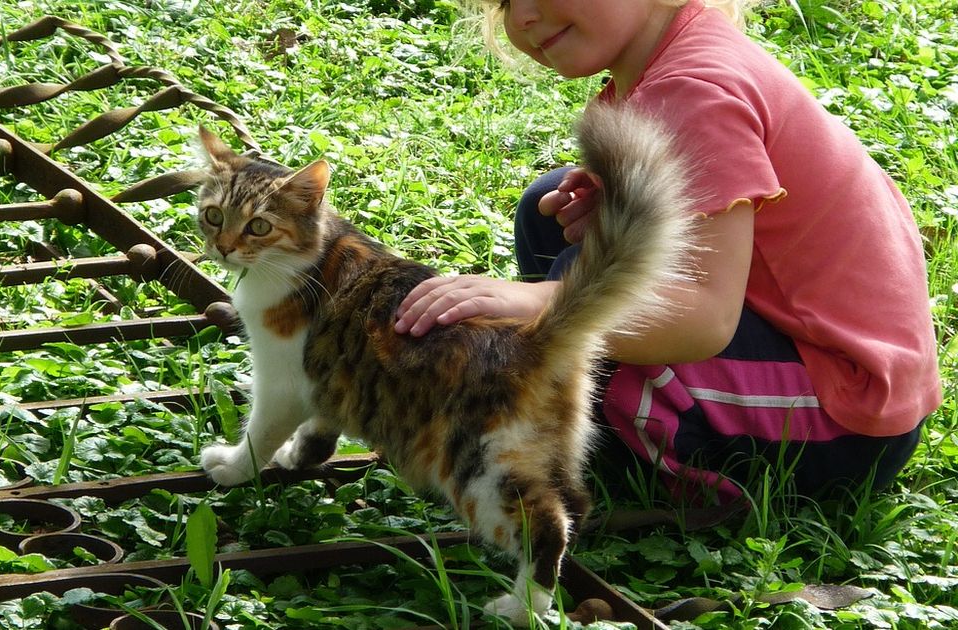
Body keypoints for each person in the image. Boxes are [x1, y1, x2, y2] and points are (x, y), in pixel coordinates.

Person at [394, 0, 942, 502]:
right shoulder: (677, 52)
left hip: (840, 426)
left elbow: (703, 320)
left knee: (576, 285)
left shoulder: (693, 90)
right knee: (553, 216)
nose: (524, 18)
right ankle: (557, 408)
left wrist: (536, 301)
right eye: (507, 2)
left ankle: (636, 464)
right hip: (830, 367)